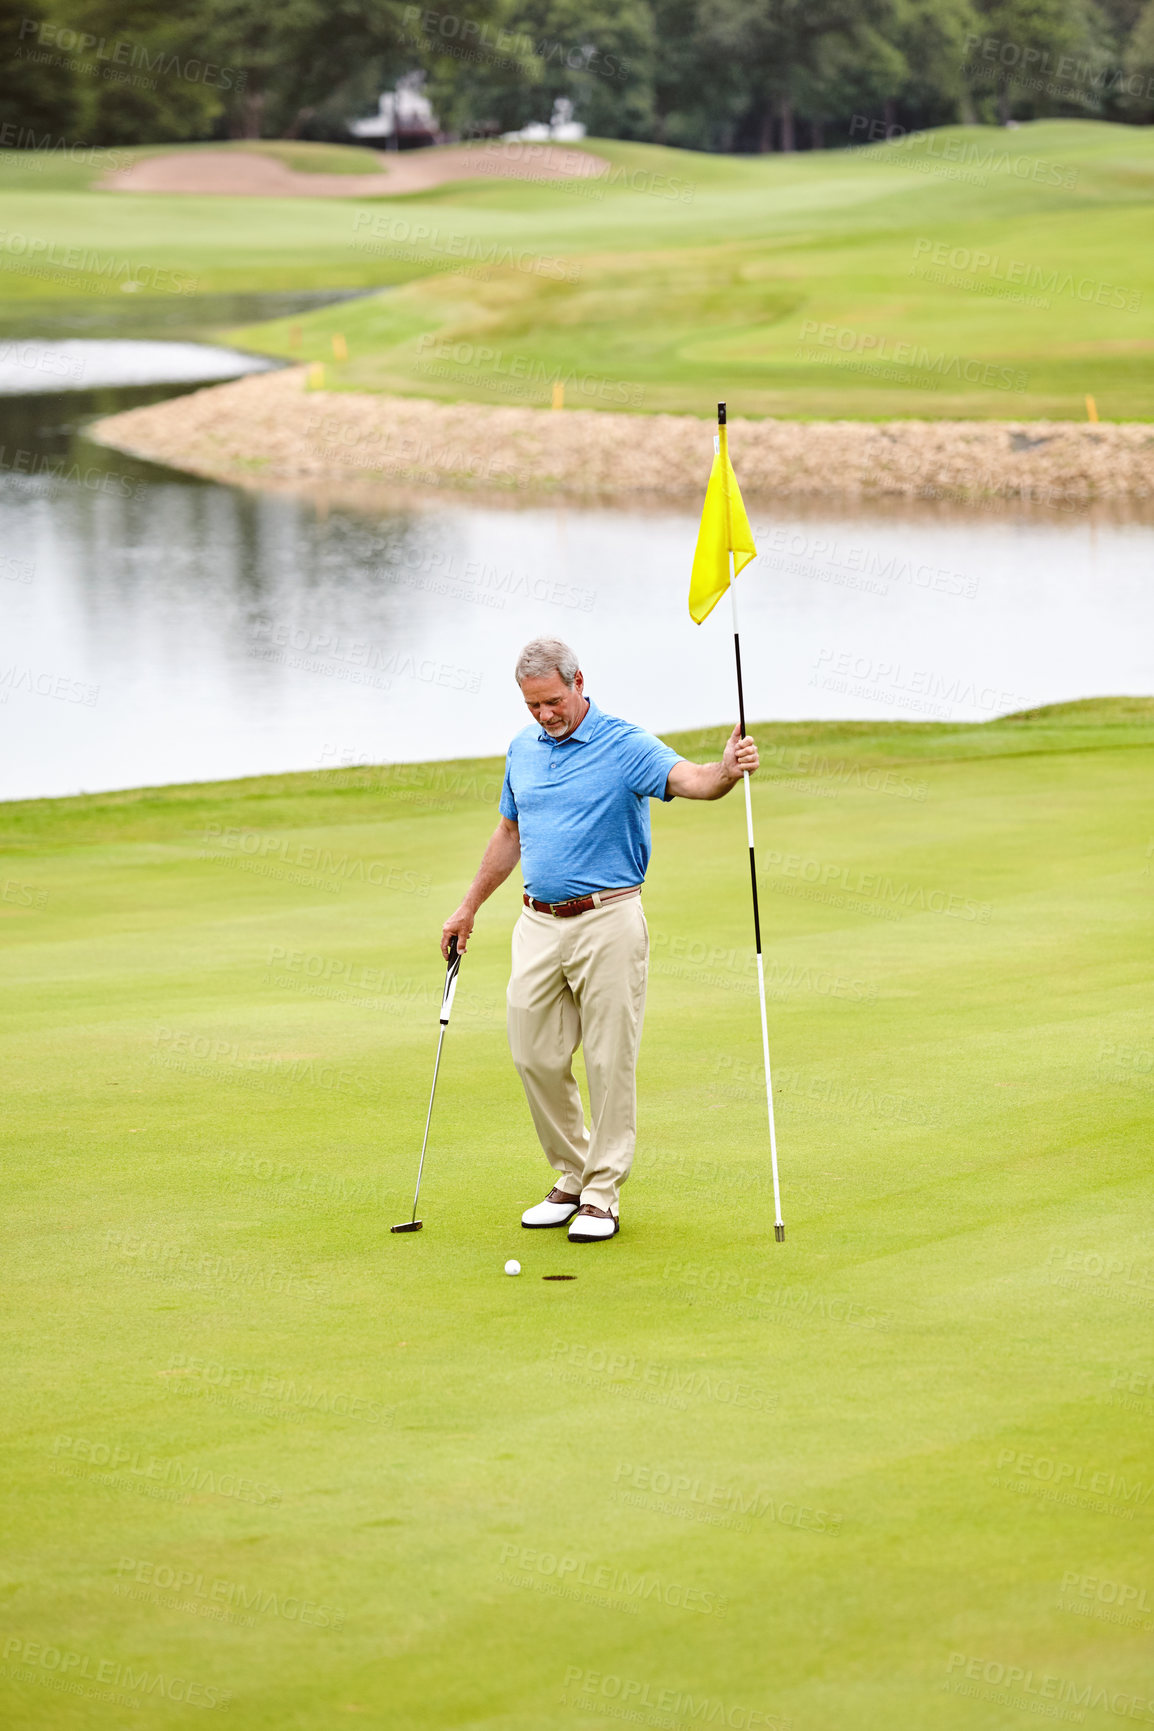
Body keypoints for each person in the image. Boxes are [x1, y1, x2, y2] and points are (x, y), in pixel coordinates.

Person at [441, 637, 759, 1243]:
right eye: (533, 706)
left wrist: (725, 771)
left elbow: (691, 780)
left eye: (554, 702)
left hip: (608, 919)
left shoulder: (622, 743)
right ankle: (571, 1171)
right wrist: (468, 906)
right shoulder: (522, 750)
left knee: (609, 1060)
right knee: (532, 1052)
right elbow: (510, 831)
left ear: (579, 682)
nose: (545, 715)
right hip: (537, 921)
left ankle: (601, 1194)